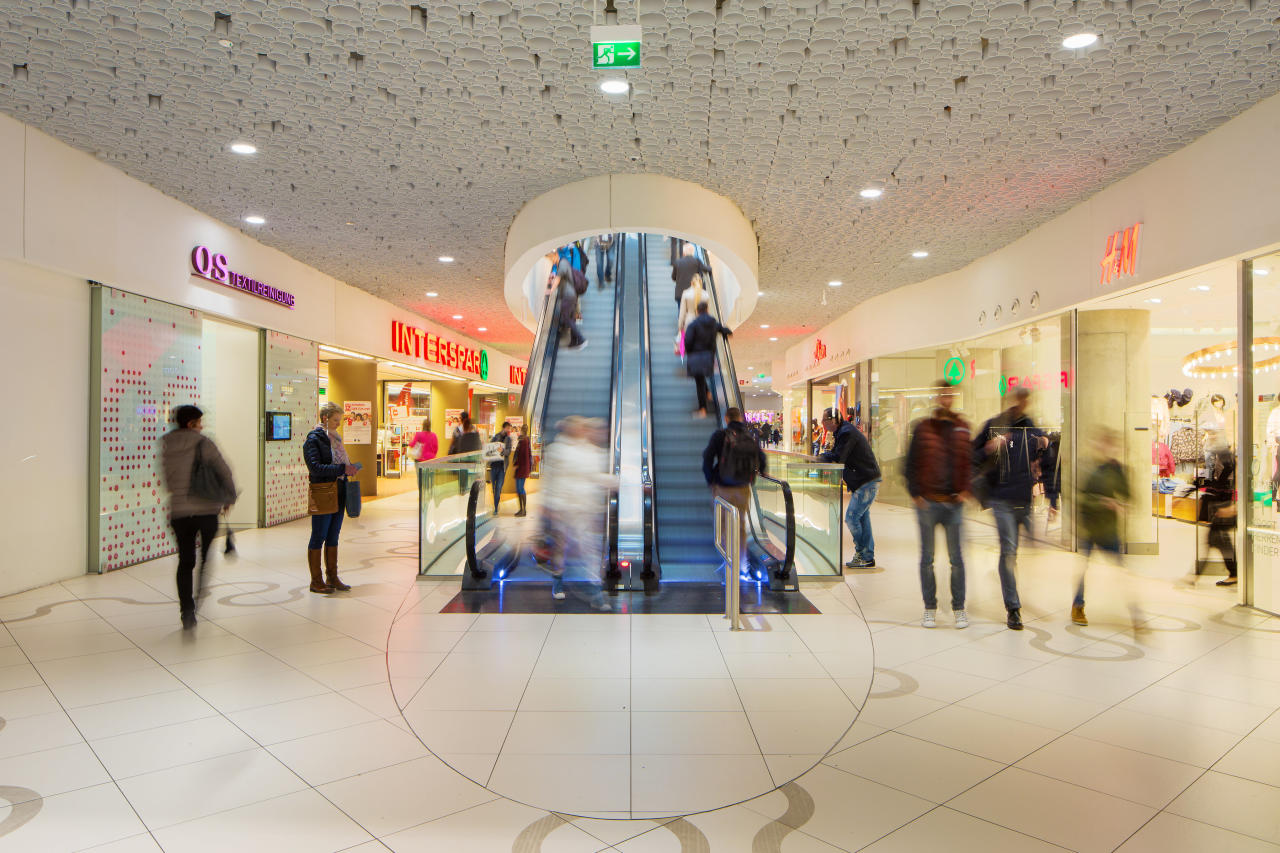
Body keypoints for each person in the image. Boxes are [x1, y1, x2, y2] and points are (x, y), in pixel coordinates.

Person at [973, 386, 1047, 630]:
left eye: (1026, 400)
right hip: (1001, 498)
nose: (1022, 403)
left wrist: (1045, 448)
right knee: (1008, 551)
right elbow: (973, 454)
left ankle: (1012, 597)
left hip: (1024, 499)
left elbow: (1047, 455)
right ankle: (1013, 607)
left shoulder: (1031, 426)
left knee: (1016, 551)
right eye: (1019, 399)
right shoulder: (994, 425)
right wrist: (989, 448)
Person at [159, 404, 237, 628]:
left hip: (179, 511)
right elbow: (224, 470)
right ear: (191, 423)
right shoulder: (204, 443)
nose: (202, 426)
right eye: (199, 422)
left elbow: (167, 479)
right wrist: (229, 498)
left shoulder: (167, 444)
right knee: (204, 557)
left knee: (185, 561)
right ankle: (199, 595)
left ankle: (187, 610)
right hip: (206, 509)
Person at [903, 382, 971, 629]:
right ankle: (929, 607)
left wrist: (965, 489)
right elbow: (909, 462)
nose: (946, 398)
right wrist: (915, 494)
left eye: (949, 394)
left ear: (953, 397)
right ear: (936, 397)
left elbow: (969, 461)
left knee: (957, 559)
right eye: (942, 394)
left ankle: (959, 608)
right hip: (928, 503)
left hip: (954, 504)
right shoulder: (923, 428)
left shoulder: (962, 427)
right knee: (927, 559)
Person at [537, 416, 614, 609]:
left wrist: (626, 483)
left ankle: (597, 593)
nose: (583, 429)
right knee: (560, 548)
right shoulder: (556, 450)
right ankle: (558, 583)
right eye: (579, 427)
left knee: (591, 550)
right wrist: (548, 505)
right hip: (562, 508)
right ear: (570, 429)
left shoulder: (592, 451)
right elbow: (549, 479)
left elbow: (596, 478)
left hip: (585, 509)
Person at [1074, 428, 1139, 627]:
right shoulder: (1088, 467)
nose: (1110, 448)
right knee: (1083, 568)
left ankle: (1135, 612)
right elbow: (1080, 498)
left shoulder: (1118, 469)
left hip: (1109, 529)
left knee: (1121, 570)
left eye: (1113, 445)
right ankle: (1078, 606)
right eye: (1106, 444)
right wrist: (1102, 502)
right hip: (1089, 527)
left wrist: (1124, 504)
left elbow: (1128, 495)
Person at [702, 407, 767, 580]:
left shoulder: (720, 435)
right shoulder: (750, 436)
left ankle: (728, 564)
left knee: (722, 528)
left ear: (726, 418)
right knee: (740, 527)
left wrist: (711, 481)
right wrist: (759, 474)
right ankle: (742, 566)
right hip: (743, 488)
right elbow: (762, 459)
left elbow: (707, 458)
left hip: (723, 488)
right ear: (740, 418)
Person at [304, 402, 359, 594]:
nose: (338, 424)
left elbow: (340, 461)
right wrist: (341, 468)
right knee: (319, 535)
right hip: (324, 491)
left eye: (340, 420)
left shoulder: (336, 438)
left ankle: (332, 576)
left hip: (340, 488)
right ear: (325, 418)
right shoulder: (314, 439)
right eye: (336, 420)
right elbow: (315, 467)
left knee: (334, 535)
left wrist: (350, 468)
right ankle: (316, 580)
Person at [821, 407, 881, 568]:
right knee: (862, 518)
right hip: (865, 480)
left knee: (851, 518)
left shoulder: (846, 433)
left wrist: (821, 457)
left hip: (865, 481)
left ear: (833, 420)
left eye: (824, 420)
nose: (822, 423)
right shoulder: (843, 432)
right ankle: (867, 556)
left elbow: (840, 457)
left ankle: (862, 553)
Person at [1186, 431, 1238, 587]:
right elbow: (1209, 480)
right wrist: (1189, 489)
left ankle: (1194, 576)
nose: (1211, 438)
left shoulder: (1223, 458)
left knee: (1212, 540)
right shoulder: (1218, 456)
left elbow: (1223, 483)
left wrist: (1228, 506)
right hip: (1218, 504)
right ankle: (1234, 573)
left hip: (1220, 506)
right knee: (1220, 541)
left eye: (1214, 435)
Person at [683, 301, 732, 418]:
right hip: (708, 356)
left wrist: (689, 352)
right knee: (703, 377)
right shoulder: (713, 323)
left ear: (697, 311)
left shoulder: (693, 325)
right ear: (707, 310)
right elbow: (726, 331)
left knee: (699, 382)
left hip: (695, 356)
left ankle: (703, 409)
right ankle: (708, 393)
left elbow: (688, 341)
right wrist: (727, 333)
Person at [557, 259, 587, 351]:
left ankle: (581, 339)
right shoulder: (565, 262)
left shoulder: (562, 263)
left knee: (566, 318)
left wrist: (550, 291)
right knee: (571, 318)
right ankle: (574, 341)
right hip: (572, 294)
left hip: (568, 295)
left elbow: (558, 279)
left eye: (550, 258)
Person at [484, 421, 513, 514]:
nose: (509, 430)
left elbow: (508, 452)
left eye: (510, 428)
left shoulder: (509, 439)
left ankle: (496, 508)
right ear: (504, 428)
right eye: (508, 428)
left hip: (502, 467)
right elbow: (490, 448)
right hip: (493, 465)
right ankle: (496, 504)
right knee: (493, 487)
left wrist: (502, 451)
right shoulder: (496, 436)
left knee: (499, 487)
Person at [513, 424, 533, 517]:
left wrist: (517, 464)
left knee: (520, 488)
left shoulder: (524, 441)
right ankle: (521, 509)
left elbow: (522, 455)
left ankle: (523, 510)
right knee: (519, 489)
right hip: (523, 468)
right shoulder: (524, 440)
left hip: (522, 468)